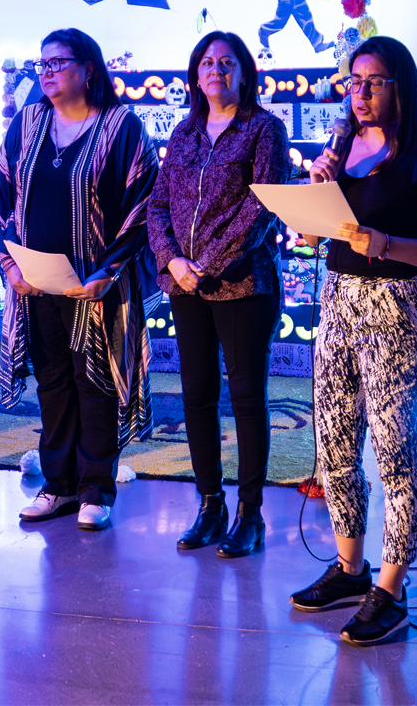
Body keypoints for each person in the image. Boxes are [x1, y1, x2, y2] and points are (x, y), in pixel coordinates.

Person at [291, 35, 417, 646]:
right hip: (338, 304)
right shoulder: (340, 149)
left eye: (373, 82)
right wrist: (315, 201)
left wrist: (386, 244)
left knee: (395, 456)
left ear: (401, 86)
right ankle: (348, 568)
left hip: (397, 313)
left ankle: (390, 591)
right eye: (353, 82)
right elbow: (325, 236)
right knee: (335, 446)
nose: (359, 93)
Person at [0, 28, 159, 532]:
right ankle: (58, 485)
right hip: (35, 285)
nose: (46, 72)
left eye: (58, 62)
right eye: (41, 63)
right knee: (54, 382)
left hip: (96, 285)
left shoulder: (120, 126)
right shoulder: (28, 123)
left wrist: (108, 271)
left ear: (88, 68)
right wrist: (11, 267)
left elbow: (144, 205)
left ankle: (95, 489)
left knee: (97, 380)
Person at [147, 32, 291, 557]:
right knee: (196, 395)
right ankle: (210, 504)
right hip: (185, 285)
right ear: (195, 74)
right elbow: (156, 205)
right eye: (207, 62)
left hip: (243, 285)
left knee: (248, 400)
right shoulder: (184, 134)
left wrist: (207, 263)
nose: (216, 70)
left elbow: (261, 207)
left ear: (244, 72)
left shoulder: (265, 130)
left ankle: (251, 515)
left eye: (226, 62)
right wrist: (172, 262)